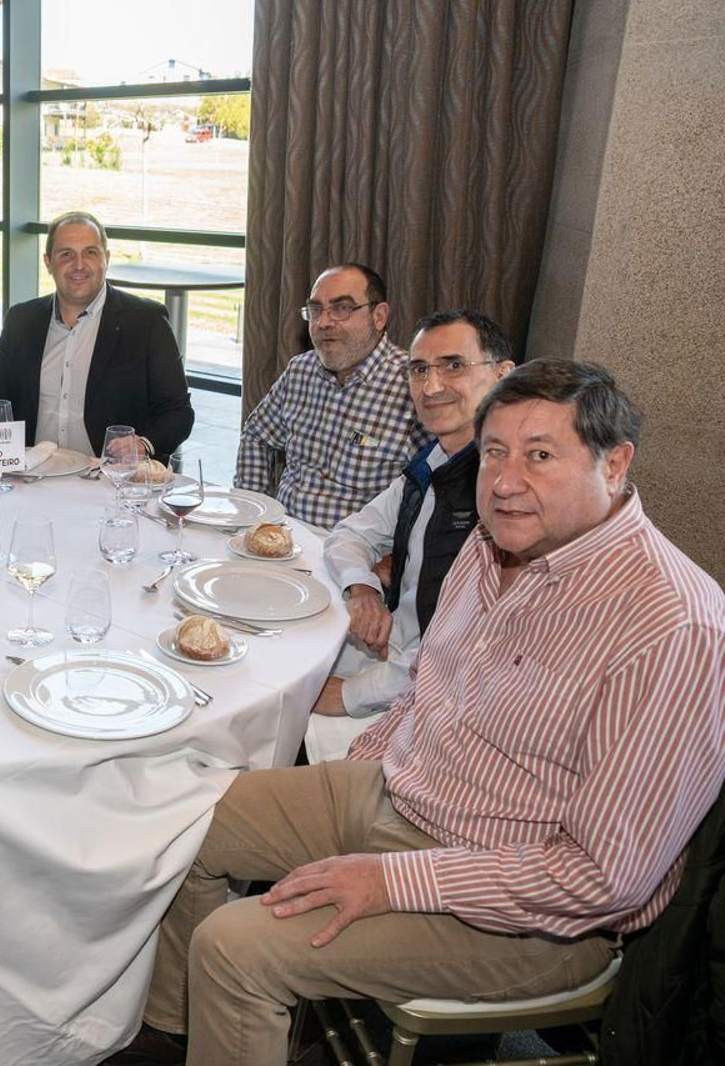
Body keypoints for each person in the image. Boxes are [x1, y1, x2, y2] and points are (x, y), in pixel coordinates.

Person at [127, 359, 725, 1066]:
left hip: (531, 919)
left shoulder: (670, 626)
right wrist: (360, 764)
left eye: (540, 455)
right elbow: (434, 684)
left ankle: (227, 1017)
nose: (504, 482)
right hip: (407, 792)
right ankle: (183, 1033)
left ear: (615, 463)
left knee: (237, 947)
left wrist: (393, 879)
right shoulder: (493, 542)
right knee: (185, 822)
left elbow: (603, 878)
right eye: (494, 452)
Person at [306, 309, 514, 763]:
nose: (432, 386)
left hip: (437, 703)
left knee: (286, 723)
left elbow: (465, 648)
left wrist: (353, 695)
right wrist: (362, 589)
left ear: (502, 376)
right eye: (420, 370)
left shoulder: (503, 497)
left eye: (453, 366)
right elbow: (349, 535)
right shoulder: (434, 463)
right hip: (393, 650)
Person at [0, 210, 193, 458]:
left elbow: (178, 412)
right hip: (31, 477)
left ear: (105, 259)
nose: (78, 265)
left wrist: (143, 445)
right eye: (66, 254)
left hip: (110, 480)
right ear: (48, 262)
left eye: (90, 252)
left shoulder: (146, 321)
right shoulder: (21, 320)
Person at [235, 263, 430, 529]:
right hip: (284, 540)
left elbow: (438, 485)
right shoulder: (300, 371)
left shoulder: (413, 387)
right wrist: (253, 511)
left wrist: (396, 552)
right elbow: (257, 436)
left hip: (355, 555)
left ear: (379, 316)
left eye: (342, 308)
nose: (324, 322)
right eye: (316, 310)